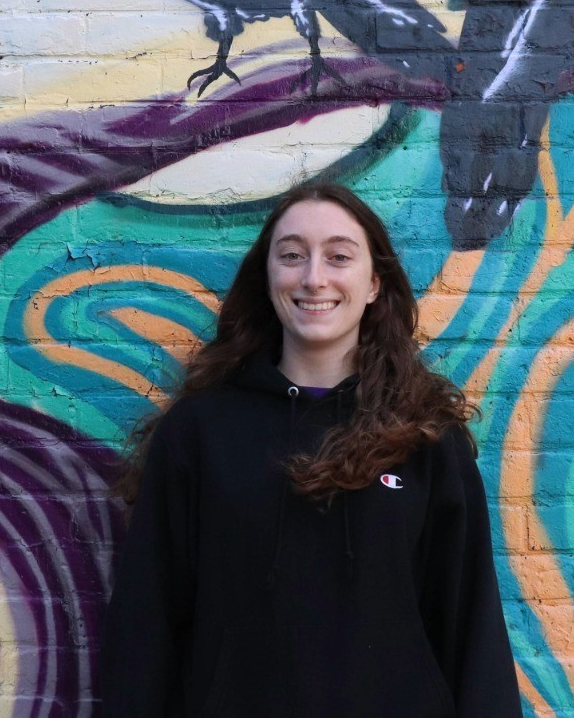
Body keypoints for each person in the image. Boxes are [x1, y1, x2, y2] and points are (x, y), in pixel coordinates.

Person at [99, 182, 523, 718]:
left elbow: (471, 624)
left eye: (338, 256)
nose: (313, 278)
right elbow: (148, 621)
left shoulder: (424, 437)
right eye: (292, 255)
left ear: (374, 283)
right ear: (269, 276)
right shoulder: (201, 432)